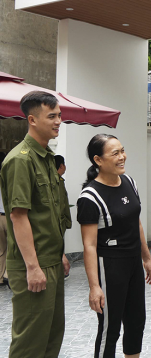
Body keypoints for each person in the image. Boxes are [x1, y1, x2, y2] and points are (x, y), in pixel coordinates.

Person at [0, 91, 68, 357]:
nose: (58, 121)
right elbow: (19, 216)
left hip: (50, 259)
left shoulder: (47, 158)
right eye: (51, 116)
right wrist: (32, 267)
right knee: (30, 341)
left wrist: (60, 253)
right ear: (32, 120)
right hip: (34, 263)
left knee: (52, 334)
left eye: (59, 115)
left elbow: (47, 215)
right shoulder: (20, 159)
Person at [77, 134, 151, 358]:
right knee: (109, 330)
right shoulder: (90, 197)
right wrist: (94, 286)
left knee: (135, 324)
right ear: (98, 160)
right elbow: (89, 245)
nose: (122, 157)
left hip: (133, 263)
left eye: (122, 150)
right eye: (115, 153)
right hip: (110, 266)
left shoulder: (129, 182)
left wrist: (147, 258)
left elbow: (136, 223)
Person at [54, 154, 72, 279]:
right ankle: (61, 271)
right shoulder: (57, 181)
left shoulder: (58, 180)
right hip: (58, 221)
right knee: (58, 246)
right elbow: (61, 205)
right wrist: (64, 221)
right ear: (61, 165)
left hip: (59, 221)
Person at [0, 152, 8, 287]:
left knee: (1, 249)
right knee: (13, 248)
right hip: (9, 217)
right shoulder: (7, 177)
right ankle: (8, 275)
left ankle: (0, 277)